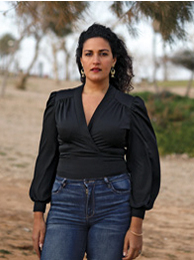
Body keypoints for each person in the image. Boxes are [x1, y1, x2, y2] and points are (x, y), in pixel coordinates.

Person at [29, 23, 160, 260]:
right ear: (80, 60)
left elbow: (142, 164)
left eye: (103, 54)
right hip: (64, 203)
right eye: (89, 54)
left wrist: (136, 227)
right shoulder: (59, 102)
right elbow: (47, 157)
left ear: (114, 60)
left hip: (114, 204)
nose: (95, 60)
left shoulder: (130, 107)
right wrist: (39, 214)